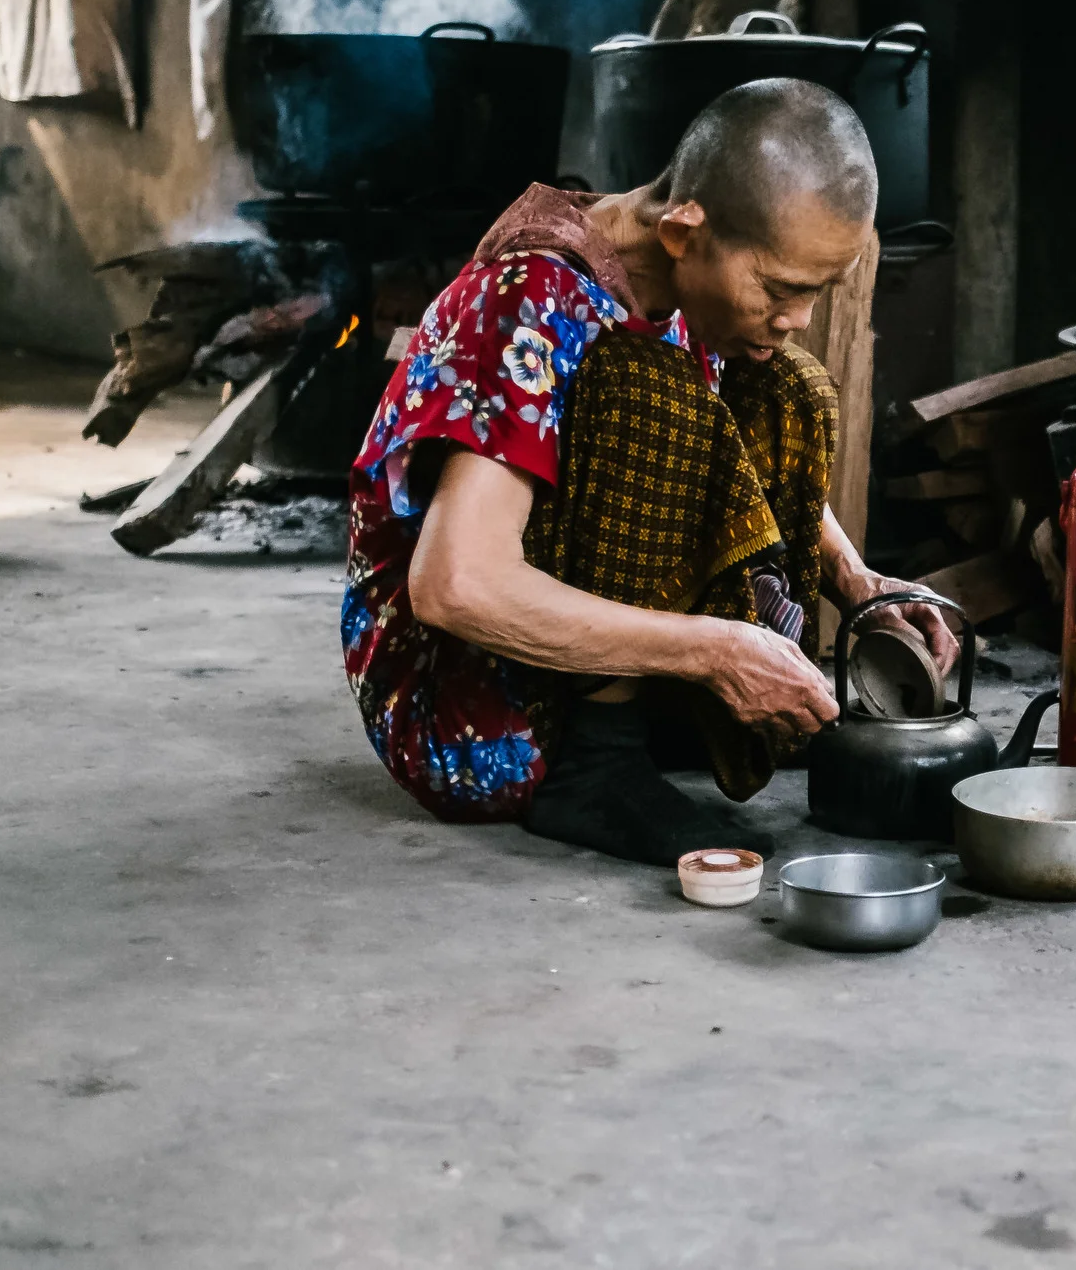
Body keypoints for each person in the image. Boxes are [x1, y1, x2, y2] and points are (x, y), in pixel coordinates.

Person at [339, 78, 956, 865]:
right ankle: (599, 762)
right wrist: (715, 651)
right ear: (683, 231)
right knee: (643, 392)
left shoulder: (678, 282)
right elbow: (455, 585)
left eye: (817, 293)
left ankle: (667, 713)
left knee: (792, 387)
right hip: (469, 698)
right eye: (780, 289)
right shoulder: (531, 296)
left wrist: (861, 586)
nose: (798, 317)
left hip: (597, 644)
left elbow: (730, 447)